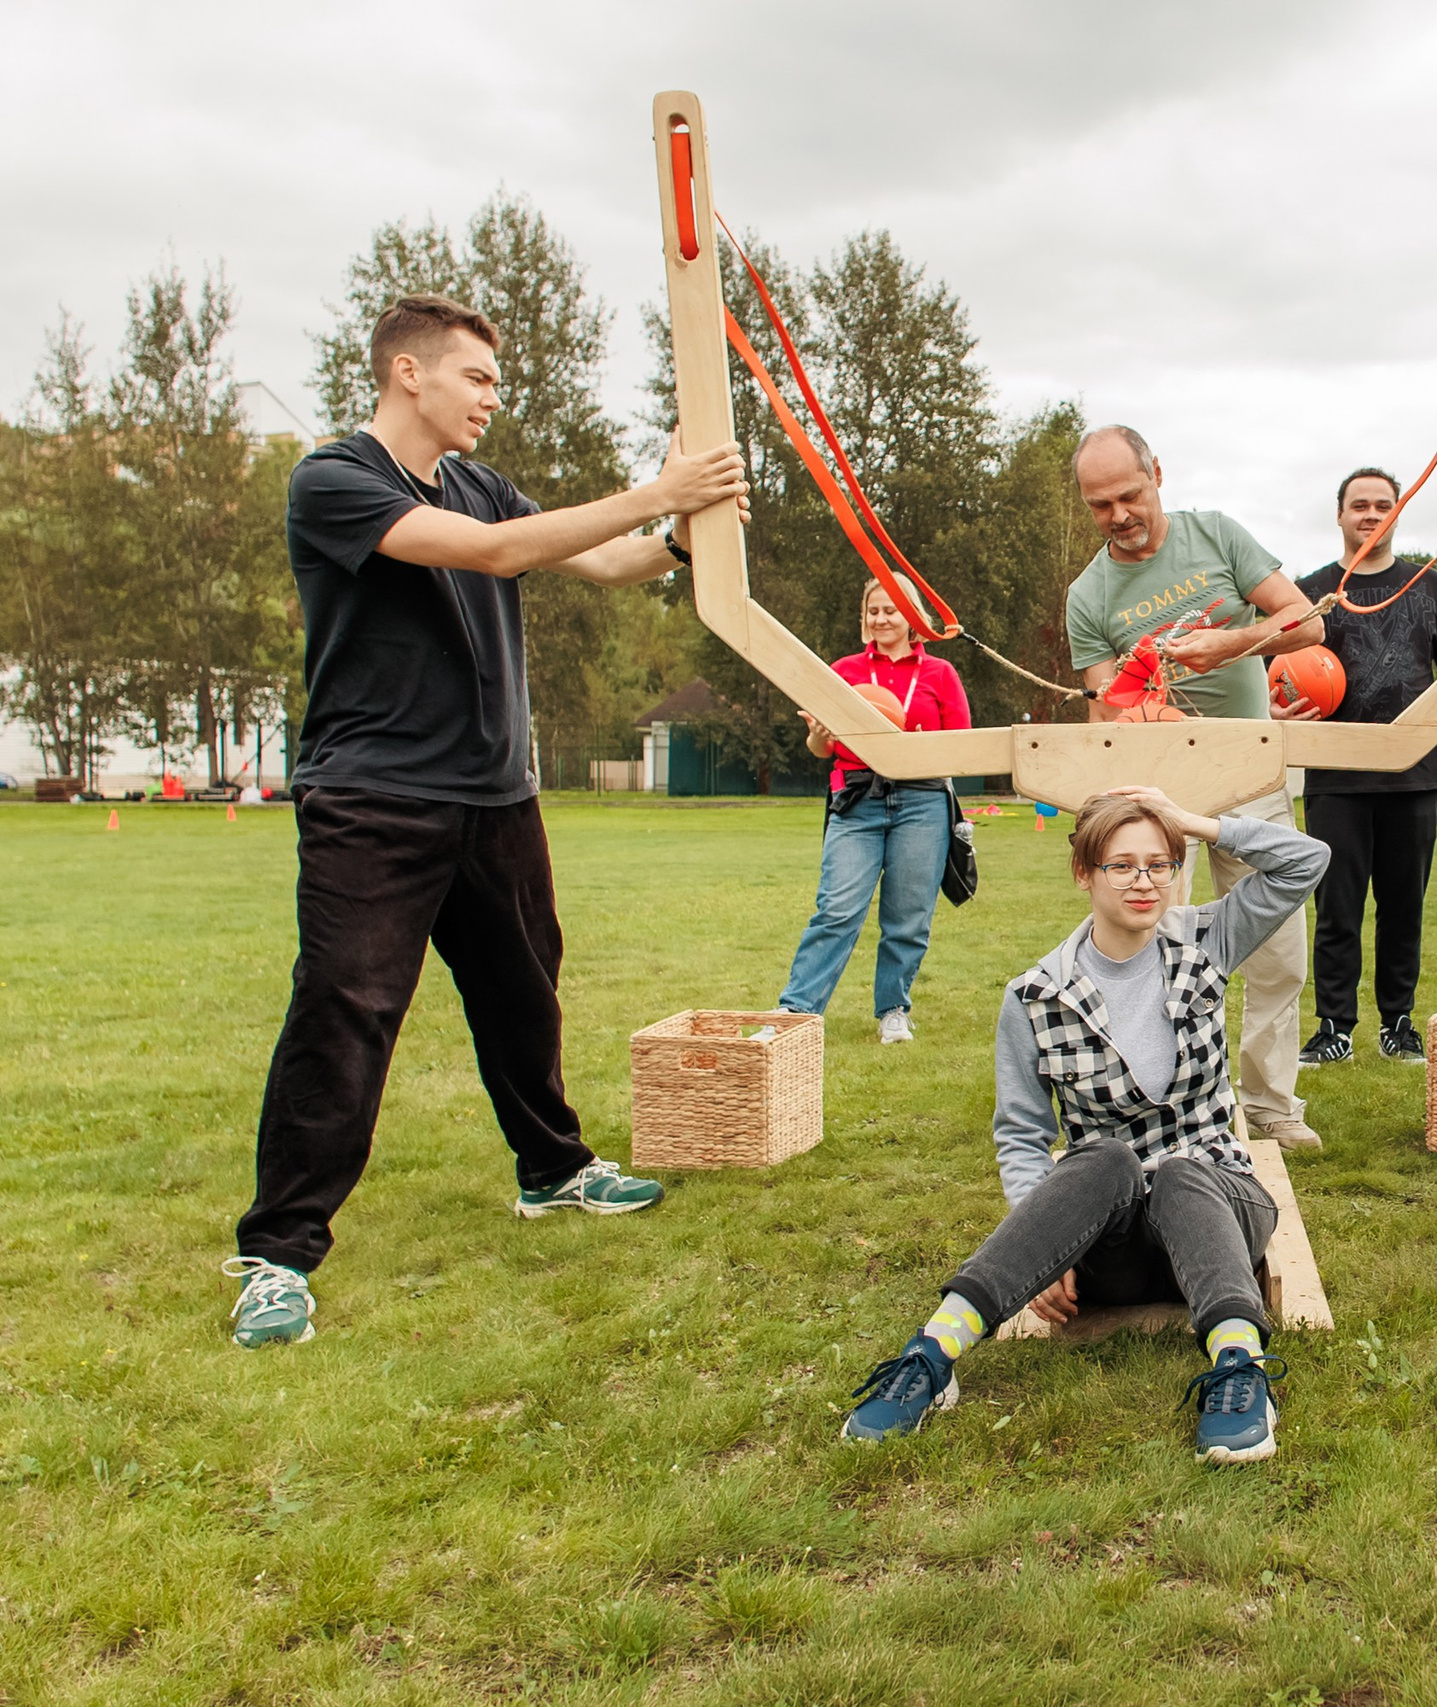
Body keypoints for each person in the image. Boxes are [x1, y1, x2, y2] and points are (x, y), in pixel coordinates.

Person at [227, 293, 749, 1346]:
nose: (493, 400)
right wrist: (657, 488)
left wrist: (688, 532)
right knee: (346, 1010)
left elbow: (604, 559)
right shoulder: (334, 481)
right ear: (408, 373)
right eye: (477, 379)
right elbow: (498, 554)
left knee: (523, 994)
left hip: (494, 796)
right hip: (374, 802)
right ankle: (277, 1256)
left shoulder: (479, 483)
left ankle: (552, 1171)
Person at [840, 785, 1326, 1464]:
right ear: (1084, 873)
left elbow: (1307, 859)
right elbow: (1020, 1132)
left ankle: (1240, 1370)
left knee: (1186, 1169)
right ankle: (930, 1356)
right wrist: (1044, 1253)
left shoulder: (1207, 939)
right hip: (1115, 1248)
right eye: (1122, 865)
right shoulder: (1036, 996)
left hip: (1216, 1216)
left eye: (1159, 863)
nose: (1144, 881)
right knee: (1101, 1159)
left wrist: (1193, 820)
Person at [1065, 426, 1328, 1151]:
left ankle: (1270, 1104)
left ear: (1158, 473)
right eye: (1099, 504)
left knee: (1277, 949)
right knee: (1146, 950)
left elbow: (1308, 622)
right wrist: (1147, 711)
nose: (1117, 514)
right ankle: (1155, 1102)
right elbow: (1101, 708)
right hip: (1154, 794)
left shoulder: (1215, 535)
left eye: (1129, 494)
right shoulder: (1088, 594)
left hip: (1250, 770)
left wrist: (1231, 642)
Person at [1282, 468, 1437, 1066]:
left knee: (1403, 908)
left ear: (1398, 513)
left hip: (1414, 774)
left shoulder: (1430, 589)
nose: (1371, 514)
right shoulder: (1310, 593)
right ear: (1340, 515)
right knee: (1337, 909)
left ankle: (1398, 1024)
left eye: (1383, 505)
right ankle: (1334, 1029)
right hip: (1335, 778)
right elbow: (1275, 675)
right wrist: (1283, 714)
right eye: (1359, 505)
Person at [777, 574, 971, 1042]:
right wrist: (819, 737)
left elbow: (963, 746)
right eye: (874, 610)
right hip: (857, 799)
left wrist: (923, 750)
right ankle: (797, 1012)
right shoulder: (842, 670)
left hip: (922, 800)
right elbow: (819, 748)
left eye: (892, 609)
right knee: (837, 908)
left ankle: (893, 1010)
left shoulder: (940, 674)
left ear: (912, 617)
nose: (881, 618)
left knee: (908, 914)